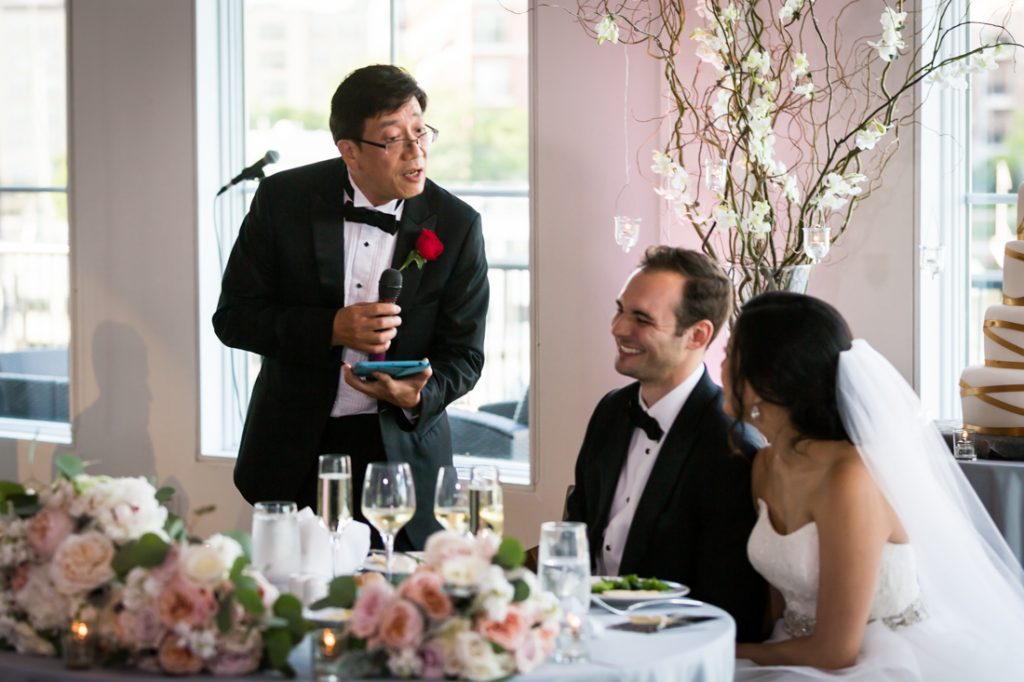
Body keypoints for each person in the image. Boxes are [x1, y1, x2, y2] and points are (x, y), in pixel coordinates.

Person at [213, 65, 489, 550]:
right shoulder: (283, 200)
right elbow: (234, 317)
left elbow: (465, 356)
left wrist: (418, 397)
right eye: (394, 138)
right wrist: (332, 328)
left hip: (400, 455)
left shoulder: (458, 224)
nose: (416, 150)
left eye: (420, 131)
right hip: (295, 448)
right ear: (350, 150)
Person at [728, 292, 1024, 680]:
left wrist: (727, 650)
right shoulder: (765, 465)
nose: (720, 367)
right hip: (796, 648)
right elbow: (778, 607)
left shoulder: (850, 477)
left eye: (728, 355)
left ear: (762, 381)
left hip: (876, 659)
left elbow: (836, 652)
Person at [565, 246, 769, 642]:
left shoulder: (732, 447)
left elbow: (728, 608)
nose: (619, 328)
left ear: (698, 335)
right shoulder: (610, 411)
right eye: (621, 309)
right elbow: (577, 532)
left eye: (641, 319)